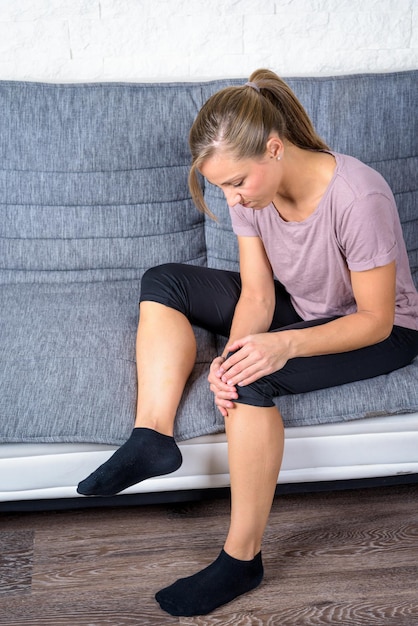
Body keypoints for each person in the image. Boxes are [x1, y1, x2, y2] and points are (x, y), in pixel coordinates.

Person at [77, 69, 418, 617]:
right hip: (301, 303)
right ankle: (152, 436)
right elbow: (258, 295)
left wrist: (279, 349)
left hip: (382, 330)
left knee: (255, 378)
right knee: (165, 281)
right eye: (222, 187)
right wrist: (230, 356)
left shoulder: (359, 196)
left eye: (236, 183)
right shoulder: (251, 196)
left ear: (275, 148)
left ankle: (242, 559)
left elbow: (378, 320)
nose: (231, 197)